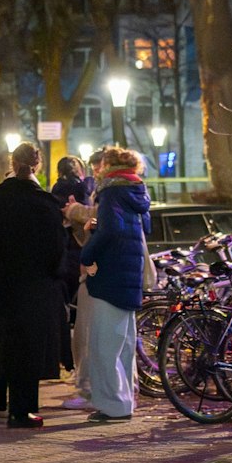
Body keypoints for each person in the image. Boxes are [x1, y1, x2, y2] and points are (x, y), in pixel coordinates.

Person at [0, 143, 63, 428]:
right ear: (36, 166)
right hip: (33, 289)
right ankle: (21, 410)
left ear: (12, 164)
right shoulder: (45, 203)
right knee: (27, 351)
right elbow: (56, 251)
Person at [78, 148, 151, 422]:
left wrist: (87, 253)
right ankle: (124, 402)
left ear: (110, 166)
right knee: (123, 344)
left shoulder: (111, 193)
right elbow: (144, 228)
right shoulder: (138, 191)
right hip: (130, 274)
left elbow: (111, 231)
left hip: (112, 273)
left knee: (104, 344)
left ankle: (112, 405)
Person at [50, 155, 93, 392]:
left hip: (65, 254)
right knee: (81, 316)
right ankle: (76, 367)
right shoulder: (86, 187)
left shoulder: (57, 190)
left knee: (68, 313)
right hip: (80, 253)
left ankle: (67, 362)